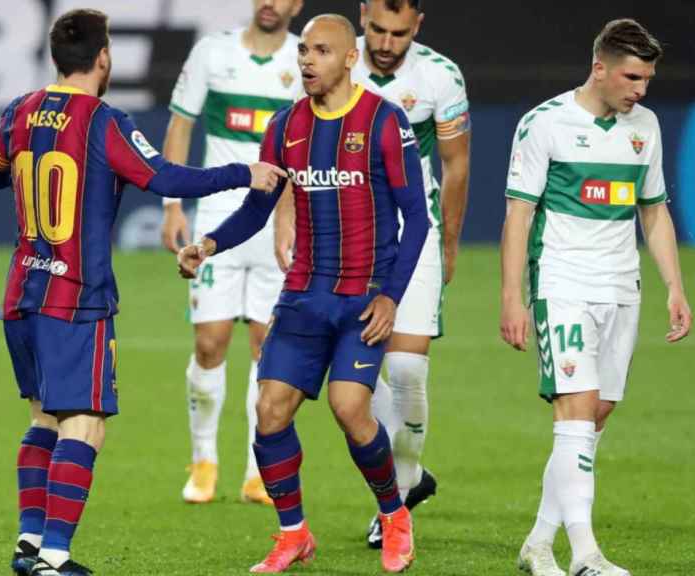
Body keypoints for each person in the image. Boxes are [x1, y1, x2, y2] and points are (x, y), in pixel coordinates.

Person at [0, 9, 285, 576]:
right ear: (103, 58)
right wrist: (245, 172)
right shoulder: (104, 121)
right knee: (86, 423)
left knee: (43, 417)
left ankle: (28, 544)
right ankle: (53, 555)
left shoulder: (18, 111)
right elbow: (167, 177)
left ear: (55, 58)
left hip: (22, 289)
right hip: (76, 295)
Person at [178, 14, 429, 573]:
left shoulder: (385, 122)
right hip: (303, 295)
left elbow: (418, 218)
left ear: (348, 58)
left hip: (362, 296)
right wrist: (210, 243)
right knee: (269, 410)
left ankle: (394, 514)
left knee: (349, 407)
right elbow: (258, 209)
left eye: (320, 51)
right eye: (304, 51)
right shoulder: (284, 127)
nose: (306, 60)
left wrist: (390, 296)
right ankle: (293, 533)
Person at [275, 0, 470, 547]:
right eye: (378, 30)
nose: (387, 43)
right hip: (346, 246)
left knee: (407, 369)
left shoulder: (440, 76)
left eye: (399, 33)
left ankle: (404, 484)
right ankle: (401, 489)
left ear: (418, 27)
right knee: (356, 386)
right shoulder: (331, 59)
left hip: (413, 234)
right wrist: (285, 220)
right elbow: (298, 145)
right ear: (363, 21)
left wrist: (449, 241)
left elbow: (455, 162)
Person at [500, 18, 692, 576]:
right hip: (562, 283)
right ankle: (586, 556)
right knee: (577, 413)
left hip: (621, 286)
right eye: (632, 76)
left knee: (594, 418)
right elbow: (518, 214)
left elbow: (652, 210)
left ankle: (538, 543)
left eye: (648, 79)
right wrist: (512, 297)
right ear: (599, 68)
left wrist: (674, 287)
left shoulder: (646, 126)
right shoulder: (545, 123)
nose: (641, 89)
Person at [160, 0, 304, 506]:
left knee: (269, 349)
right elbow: (180, 123)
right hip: (217, 222)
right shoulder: (212, 53)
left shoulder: (305, 58)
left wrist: (294, 217)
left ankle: (255, 469)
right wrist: (173, 203)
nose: (270, 3)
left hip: (276, 228)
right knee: (209, 344)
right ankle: (203, 459)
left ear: (297, 5)